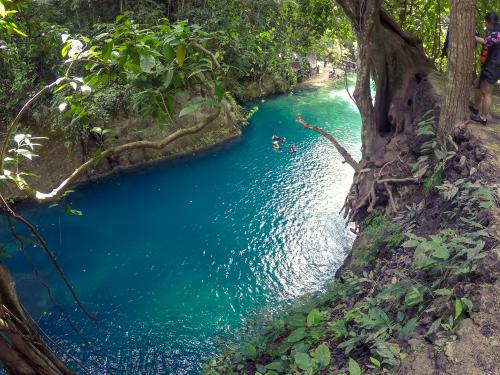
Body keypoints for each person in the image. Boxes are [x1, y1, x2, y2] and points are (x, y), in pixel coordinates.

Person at [471, 12, 500, 125]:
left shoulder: (497, 33)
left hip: (494, 66)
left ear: (489, 22)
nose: (485, 25)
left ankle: (483, 118)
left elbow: (485, 41)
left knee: (486, 92)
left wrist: (471, 36)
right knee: (477, 84)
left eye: (485, 22)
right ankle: (475, 107)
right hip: (490, 64)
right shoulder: (495, 31)